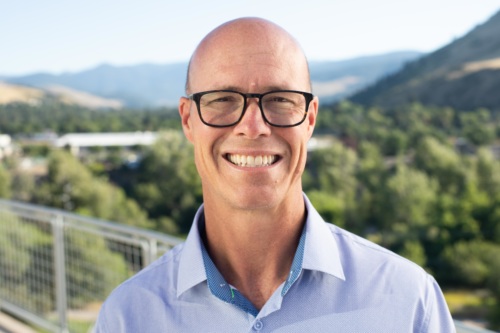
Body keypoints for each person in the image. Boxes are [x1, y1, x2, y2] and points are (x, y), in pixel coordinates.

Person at [94, 17, 455, 332]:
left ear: (310, 118)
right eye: (222, 99)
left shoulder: (408, 304)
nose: (253, 127)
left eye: (280, 99)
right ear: (188, 120)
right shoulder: (128, 318)